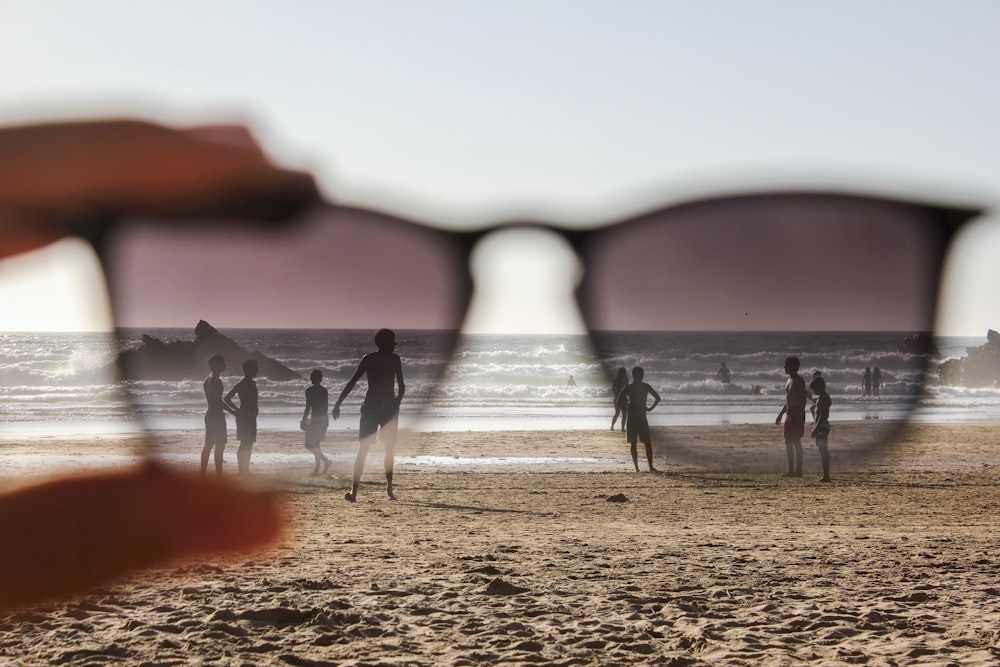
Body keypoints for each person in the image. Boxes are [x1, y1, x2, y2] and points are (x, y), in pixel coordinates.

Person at [0, 118, 316, 610]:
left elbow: (227, 391)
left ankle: (221, 477)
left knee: (227, 451)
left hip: (227, 417)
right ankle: (217, 480)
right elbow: (226, 393)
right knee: (221, 451)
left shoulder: (219, 373)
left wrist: (231, 405)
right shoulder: (220, 376)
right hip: (223, 417)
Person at [333, 329, 406, 502]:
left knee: (378, 448)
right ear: (384, 343)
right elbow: (353, 382)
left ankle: (385, 489)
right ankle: (357, 491)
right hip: (379, 407)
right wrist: (338, 403)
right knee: (370, 448)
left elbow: (402, 386)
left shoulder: (380, 359)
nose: (395, 344)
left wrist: (398, 401)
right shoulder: (377, 359)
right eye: (392, 341)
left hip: (378, 407)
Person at [619, 366, 661, 473]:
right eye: (640, 374)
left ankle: (640, 467)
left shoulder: (629, 387)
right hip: (640, 416)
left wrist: (626, 406)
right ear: (635, 375)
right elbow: (657, 398)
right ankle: (646, 467)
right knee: (645, 443)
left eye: (641, 374)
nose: (641, 376)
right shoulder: (645, 386)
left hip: (634, 416)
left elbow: (620, 400)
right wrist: (649, 408)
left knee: (638, 443)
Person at [202, 355, 236, 477]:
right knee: (219, 446)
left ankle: (203, 474)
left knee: (208, 445)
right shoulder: (216, 381)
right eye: (222, 363)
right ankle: (219, 475)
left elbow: (214, 401)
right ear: (215, 365)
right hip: (217, 417)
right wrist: (234, 412)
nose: (225, 365)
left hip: (210, 415)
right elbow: (218, 401)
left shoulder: (207, 380)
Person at [225, 359, 260, 476]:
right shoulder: (241, 384)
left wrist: (256, 408)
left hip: (252, 416)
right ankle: (241, 470)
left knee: (249, 443)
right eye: (255, 368)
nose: (257, 371)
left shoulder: (253, 383)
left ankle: (246, 469)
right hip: (244, 417)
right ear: (248, 370)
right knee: (244, 443)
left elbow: (254, 400)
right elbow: (227, 398)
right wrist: (236, 410)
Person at [775, 356, 807, 477]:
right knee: (788, 441)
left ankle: (799, 470)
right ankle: (791, 469)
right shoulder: (789, 380)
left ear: (793, 367)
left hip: (797, 412)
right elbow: (789, 400)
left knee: (796, 441)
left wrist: (799, 415)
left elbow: (802, 399)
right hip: (789, 413)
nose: (784, 367)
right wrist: (780, 414)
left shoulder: (798, 381)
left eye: (786, 365)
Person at [301, 369, 332, 476]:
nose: (310, 378)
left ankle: (321, 465)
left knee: (309, 444)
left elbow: (308, 407)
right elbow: (325, 407)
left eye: (311, 376)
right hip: (323, 418)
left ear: (313, 378)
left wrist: (304, 420)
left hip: (316, 419)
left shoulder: (309, 391)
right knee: (316, 444)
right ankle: (322, 464)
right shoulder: (324, 390)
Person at [809, 375, 832, 482]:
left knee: (823, 450)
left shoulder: (823, 398)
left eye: (815, 389)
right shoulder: (822, 397)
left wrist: (816, 428)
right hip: (822, 425)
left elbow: (822, 415)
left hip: (822, 426)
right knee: (822, 450)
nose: (814, 391)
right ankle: (825, 474)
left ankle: (826, 475)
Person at [610, 367, 629, 432]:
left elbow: (613, 389)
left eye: (624, 371)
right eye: (622, 372)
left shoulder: (623, 379)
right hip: (619, 398)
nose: (623, 373)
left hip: (621, 398)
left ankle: (620, 428)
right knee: (620, 413)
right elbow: (613, 389)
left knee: (622, 413)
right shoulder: (619, 380)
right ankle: (615, 427)